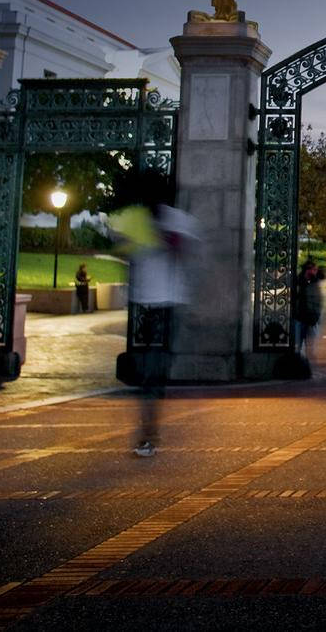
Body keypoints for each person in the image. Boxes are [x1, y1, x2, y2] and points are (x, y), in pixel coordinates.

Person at [113, 171, 197, 458]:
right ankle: (147, 430)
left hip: (166, 306)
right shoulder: (134, 219)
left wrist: (158, 235)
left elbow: (184, 248)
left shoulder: (175, 219)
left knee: (154, 372)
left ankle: (148, 431)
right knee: (149, 373)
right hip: (146, 305)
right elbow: (122, 248)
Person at [292, 259, 324, 364]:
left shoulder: (314, 282)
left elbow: (318, 301)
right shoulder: (299, 281)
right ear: (308, 270)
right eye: (314, 269)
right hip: (300, 317)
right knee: (297, 345)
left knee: (310, 346)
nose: (316, 271)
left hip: (311, 319)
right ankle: (299, 364)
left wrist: (316, 316)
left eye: (316, 270)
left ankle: (308, 365)